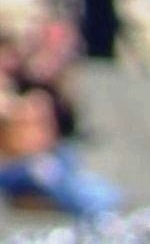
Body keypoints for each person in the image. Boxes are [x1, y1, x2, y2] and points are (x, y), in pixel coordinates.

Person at [0, 85, 119, 223]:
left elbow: (106, 197)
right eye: (26, 126)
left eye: (44, 123)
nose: (40, 132)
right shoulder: (21, 170)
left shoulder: (62, 156)